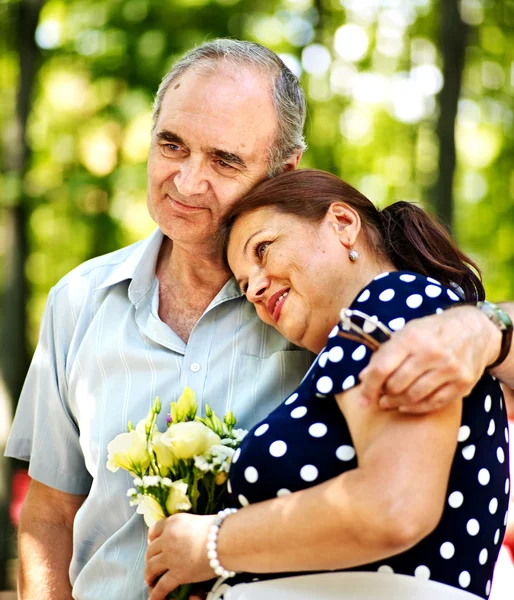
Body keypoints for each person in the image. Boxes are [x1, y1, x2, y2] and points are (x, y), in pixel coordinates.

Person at [4, 38, 513, 600]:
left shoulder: (331, 313)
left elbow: (396, 500)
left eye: (224, 160)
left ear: (284, 170)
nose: (188, 181)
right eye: (172, 145)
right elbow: (49, 515)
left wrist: (485, 326)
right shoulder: (78, 301)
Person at [144, 169, 510, 600]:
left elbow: (393, 508)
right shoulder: (364, 336)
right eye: (245, 287)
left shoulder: (389, 301)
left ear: (342, 224)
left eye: (263, 249)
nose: (257, 289)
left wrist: (211, 543)